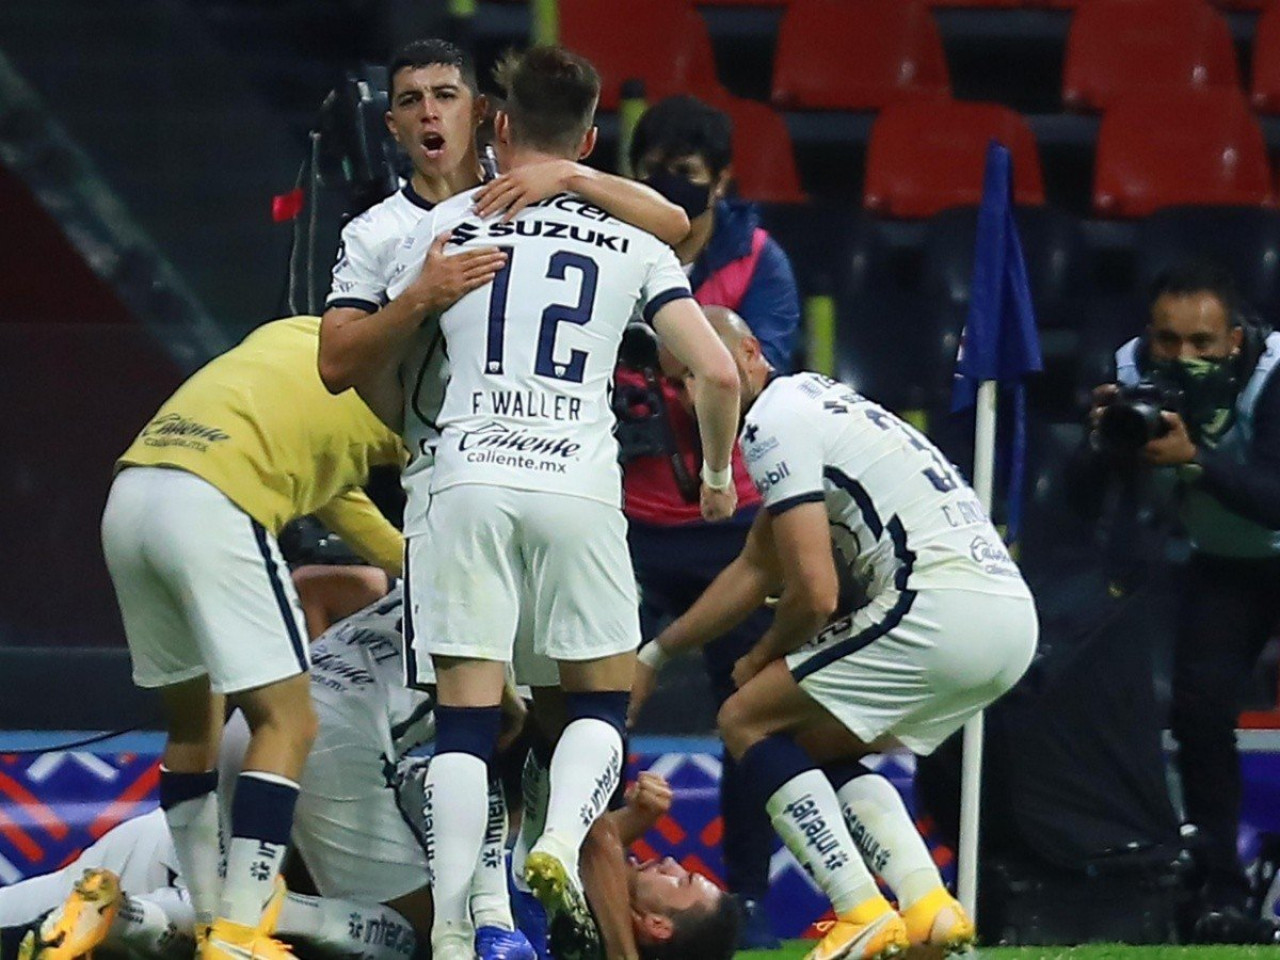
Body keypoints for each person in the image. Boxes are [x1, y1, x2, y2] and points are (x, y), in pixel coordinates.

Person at [358, 45, 741, 960]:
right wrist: (717, 474)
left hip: (467, 477)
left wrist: (412, 433)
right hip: (578, 484)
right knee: (597, 704)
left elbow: (374, 359)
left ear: (496, 125)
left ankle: (457, 932)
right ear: (593, 138)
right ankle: (562, 843)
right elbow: (719, 371)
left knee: (464, 720)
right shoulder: (636, 241)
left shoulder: (441, 224)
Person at [632, 310, 1039, 960]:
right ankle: (929, 907)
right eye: (679, 383)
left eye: (700, 374)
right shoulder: (818, 402)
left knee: (743, 717)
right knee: (802, 740)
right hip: (1007, 621)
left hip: (938, 607)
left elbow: (815, 594)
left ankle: (860, 910)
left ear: (749, 353)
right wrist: (658, 653)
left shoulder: (772, 425)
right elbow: (756, 567)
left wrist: (761, 658)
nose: (691, 395)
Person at [100, 315, 404, 960]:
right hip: (217, 503)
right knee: (290, 722)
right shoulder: (410, 382)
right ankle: (240, 931)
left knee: (195, 728)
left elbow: (335, 490)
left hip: (131, 495)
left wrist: (409, 564)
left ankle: (211, 920)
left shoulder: (297, 334)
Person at [616, 95, 800, 948]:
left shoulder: (758, 261)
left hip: (736, 524)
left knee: (748, 710)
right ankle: (601, 875)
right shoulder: (612, 248)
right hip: (628, 523)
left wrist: (689, 367)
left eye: (686, 177)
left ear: (722, 182)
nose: (669, 190)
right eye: (653, 173)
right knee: (595, 703)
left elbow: (762, 374)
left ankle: (750, 897)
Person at [1087, 261, 1280, 937]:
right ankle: (1219, 893)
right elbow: (1098, 489)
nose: (1182, 355)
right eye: (1168, 340)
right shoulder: (1133, 371)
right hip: (1226, 563)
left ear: (1235, 339)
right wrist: (1106, 441)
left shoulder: (1275, 375)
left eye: (1201, 342)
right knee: (1198, 714)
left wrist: (1195, 458)